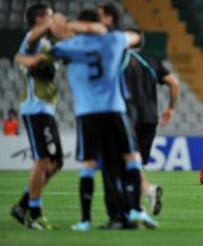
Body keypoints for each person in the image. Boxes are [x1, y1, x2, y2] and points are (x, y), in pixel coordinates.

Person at [49, 9, 159, 230]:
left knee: (90, 163)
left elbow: (48, 53)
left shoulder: (69, 47)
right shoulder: (113, 40)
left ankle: (86, 220)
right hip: (115, 110)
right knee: (129, 158)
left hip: (87, 113)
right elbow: (136, 37)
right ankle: (136, 210)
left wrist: (66, 27)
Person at [98, 3, 180, 216]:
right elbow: (174, 83)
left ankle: (145, 195)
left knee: (124, 160)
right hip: (150, 118)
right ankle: (139, 203)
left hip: (127, 115)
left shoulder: (119, 58)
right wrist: (170, 108)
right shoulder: (152, 61)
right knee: (135, 162)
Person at [10, 4, 63, 230]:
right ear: (40, 18)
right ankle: (34, 212)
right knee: (42, 160)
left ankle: (23, 204)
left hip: (46, 108)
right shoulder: (30, 40)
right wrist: (55, 23)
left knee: (56, 161)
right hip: (35, 108)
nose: (52, 19)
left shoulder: (47, 44)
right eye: (49, 16)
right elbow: (32, 37)